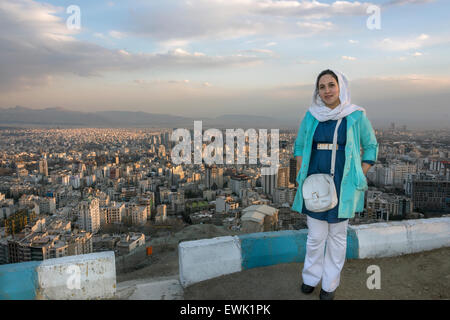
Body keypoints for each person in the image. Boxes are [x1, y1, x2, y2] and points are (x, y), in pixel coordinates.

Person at [291, 69, 378, 300]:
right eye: (322, 87)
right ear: (317, 91)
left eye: (331, 85)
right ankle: (310, 277)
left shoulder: (356, 116)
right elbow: (299, 146)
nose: (327, 91)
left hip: (343, 183)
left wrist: (361, 172)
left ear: (341, 87)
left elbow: (371, 146)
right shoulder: (311, 115)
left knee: (337, 236)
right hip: (314, 182)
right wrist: (302, 172)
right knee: (316, 235)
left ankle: (329, 284)